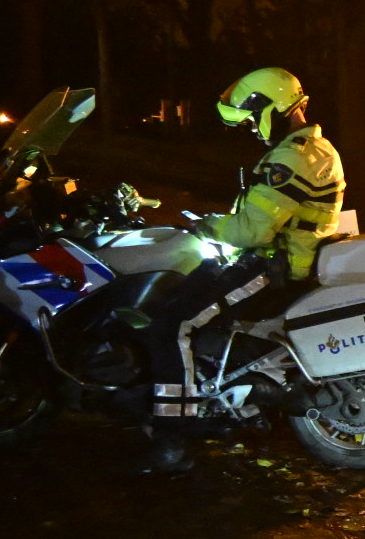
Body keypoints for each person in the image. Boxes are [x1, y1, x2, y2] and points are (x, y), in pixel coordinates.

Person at [137, 67, 346, 473]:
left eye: (252, 117)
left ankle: (171, 439)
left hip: (271, 267)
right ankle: (240, 408)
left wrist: (206, 224)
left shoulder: (293, 155)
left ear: (270, 106)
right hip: (273, 260)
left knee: (171, 323)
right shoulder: (310, 148)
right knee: (186, 300)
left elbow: (253, 230)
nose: (251, 127)